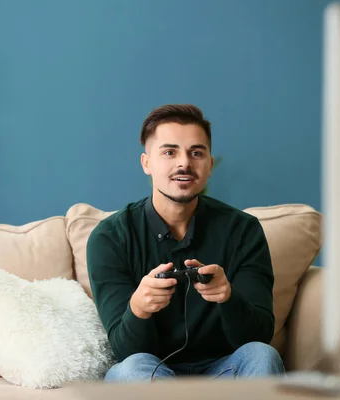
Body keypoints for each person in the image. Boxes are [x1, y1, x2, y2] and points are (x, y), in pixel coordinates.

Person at [86, 104, 285, 382]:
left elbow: (259, 335)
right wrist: (139, 309)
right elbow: (124, 350)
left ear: (210, 165)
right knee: (132, 369)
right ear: (146, 163)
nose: (184, 163)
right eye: (169, 152)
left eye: (196, 153)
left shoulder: (243, 230)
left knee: (262, 355)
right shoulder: (110, 238)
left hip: (223, 370)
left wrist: (228, 298)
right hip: (151, 373)